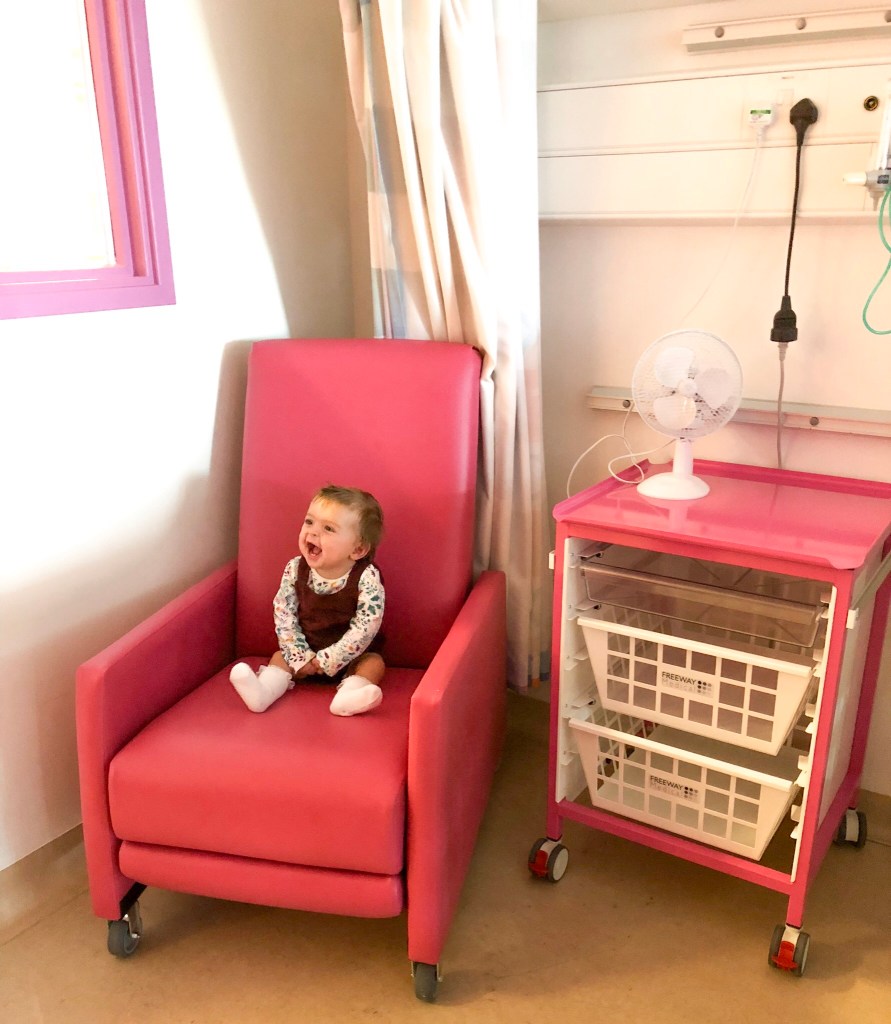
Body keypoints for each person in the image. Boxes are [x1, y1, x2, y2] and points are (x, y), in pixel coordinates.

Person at [229, 484, 385, 717]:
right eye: (309, 522)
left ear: (358, 549)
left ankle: (349, 695)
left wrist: (330, 659)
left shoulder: (366, 576)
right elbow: (284, 613)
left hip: (351, 657)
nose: (312, 533)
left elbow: (366, 626)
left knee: (374, 664)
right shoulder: (295, 569)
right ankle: (262, 692)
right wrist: (298, 655)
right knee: (280, 658)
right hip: (305, 651)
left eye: (328, 528)